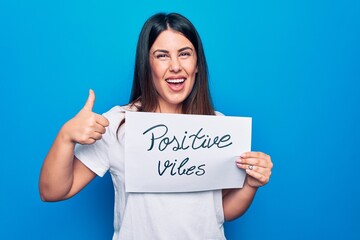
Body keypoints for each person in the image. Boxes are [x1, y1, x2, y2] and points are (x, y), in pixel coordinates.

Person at [39, 12, 273, 240]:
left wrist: (251, 184)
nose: (175, 66)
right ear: (146, 65)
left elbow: (221, 212)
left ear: (197, 64)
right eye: (162, 56)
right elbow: (53, 191)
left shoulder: (219, 128)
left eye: (184, 54)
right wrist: (66, 136)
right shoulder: (119, 124)